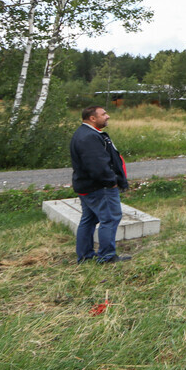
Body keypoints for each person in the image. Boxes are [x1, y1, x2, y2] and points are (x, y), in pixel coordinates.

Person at [70, 105, 130, 264]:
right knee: (110, 219)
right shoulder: (89, 137)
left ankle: (85, 256)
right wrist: (111, 182)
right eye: (103, 114)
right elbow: (97, 165)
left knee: (89, 220)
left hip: (88, 186)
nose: (107, 116)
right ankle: (107, 256)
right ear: (92, 118)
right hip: (99, 187)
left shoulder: (86, 133)